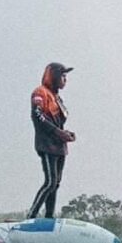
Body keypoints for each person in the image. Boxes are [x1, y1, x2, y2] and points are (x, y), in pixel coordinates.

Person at [27, 62, 76, 219]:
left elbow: (58, 121)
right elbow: (37, 116)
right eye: (62, 76)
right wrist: (57, 132)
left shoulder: (57, 97)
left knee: (56, 184)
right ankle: (31, 215)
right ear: (54, 76)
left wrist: (65, 133)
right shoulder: (40, 93)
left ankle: (49, 217)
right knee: (50, 182)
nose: (65, 80)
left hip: (59, 146)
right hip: (47, 144)